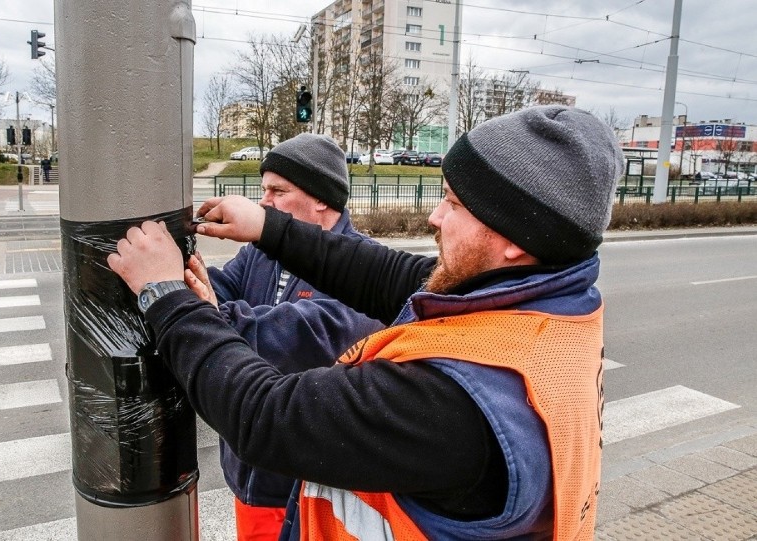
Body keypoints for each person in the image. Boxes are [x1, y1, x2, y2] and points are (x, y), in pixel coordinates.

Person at [107, 106, 624, 540]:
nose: (434, 218)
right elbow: (387, 273)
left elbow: (265, 416)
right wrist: (267, 226)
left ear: (513, 237)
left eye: (454, 203)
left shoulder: (450, 399)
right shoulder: (544, 313)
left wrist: (165, 296)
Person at [200, 133, 384, 540]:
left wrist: (192, 308)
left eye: (278, 191)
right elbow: (221, 287)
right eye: (263, 189)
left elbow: (286, 339)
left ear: (321, 199)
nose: (263, 202)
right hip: (248, 474)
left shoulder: (362, 271)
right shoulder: (259, 252)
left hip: (304, 491)